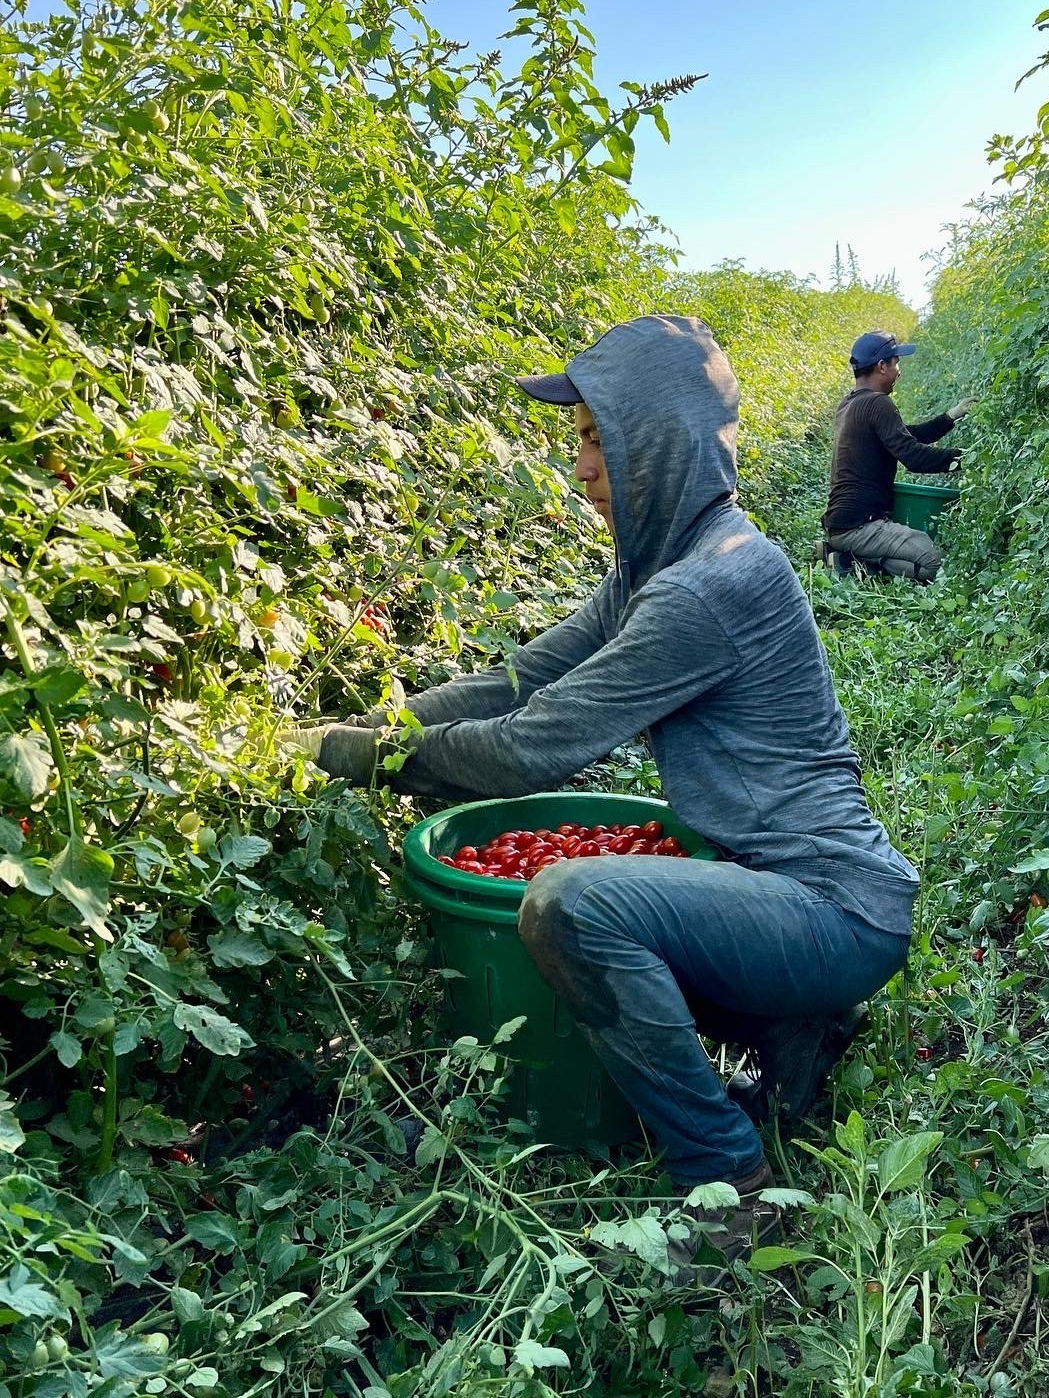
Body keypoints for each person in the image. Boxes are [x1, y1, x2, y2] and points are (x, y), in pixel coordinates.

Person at [293, 314, 917, 1241]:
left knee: (573, 909)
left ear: (654, 443)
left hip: (833, 906)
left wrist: (355, 759)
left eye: (596, 439)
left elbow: (528, 744)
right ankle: (793, 1031)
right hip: (786, 893)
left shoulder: (708, 586)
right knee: (608, 917)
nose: (581, 467)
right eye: (579, 440)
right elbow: (515, 679)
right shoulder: (657, 569)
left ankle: (726, 1185)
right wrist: (362, 728)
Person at [822, 329, 972, 582]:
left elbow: (905, 435)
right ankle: (850, 561)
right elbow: (913, 457)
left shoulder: (850, 403)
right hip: (860, 525)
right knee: (935, 562)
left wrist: (950, 417)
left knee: (918, 551)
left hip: (842, 522)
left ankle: (848, 554)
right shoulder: (878, 403)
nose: (899, 370)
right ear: (882, 366)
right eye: (896, 362)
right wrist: (967, 459)